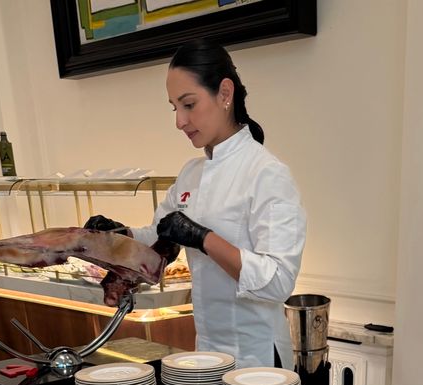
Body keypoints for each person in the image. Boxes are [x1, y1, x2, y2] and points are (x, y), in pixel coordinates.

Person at [85, 39, 306, 368]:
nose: (180, 121)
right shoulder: (191, 174)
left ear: (225, 93)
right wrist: (120, 234)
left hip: (256, 357)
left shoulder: (266, 173)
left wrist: (204, 239)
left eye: (189, 104)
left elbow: (277, 283)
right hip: (207, 352)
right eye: (174, 107)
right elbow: (159, 234)